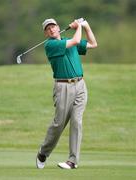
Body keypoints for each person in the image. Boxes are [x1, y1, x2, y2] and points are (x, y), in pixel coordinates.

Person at [36, 18, 97, 169]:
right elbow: (76, 40)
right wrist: (78, 27)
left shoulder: (69, 40)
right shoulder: (50, 45)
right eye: (48, 28)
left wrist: (86, 26)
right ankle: (43, 152)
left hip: (80, 85)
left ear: (58, 27)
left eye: (53, 26)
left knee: (77, 122)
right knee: (59, 124)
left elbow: (93, 44)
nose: (51, 29)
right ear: (46, 33)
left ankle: (73, 161)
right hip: (63, 87)